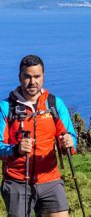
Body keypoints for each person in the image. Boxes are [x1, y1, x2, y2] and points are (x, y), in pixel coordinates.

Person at [0, 55, 77, 217]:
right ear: (19, 77)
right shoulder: (6, 108)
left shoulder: (54, 104)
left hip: (50, 180)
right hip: (17, 182)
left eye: (37, 76)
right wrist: (15, 149)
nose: (32, 81)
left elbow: (70, 136)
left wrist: (68, 143)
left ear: (43, 76)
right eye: (27, 76)